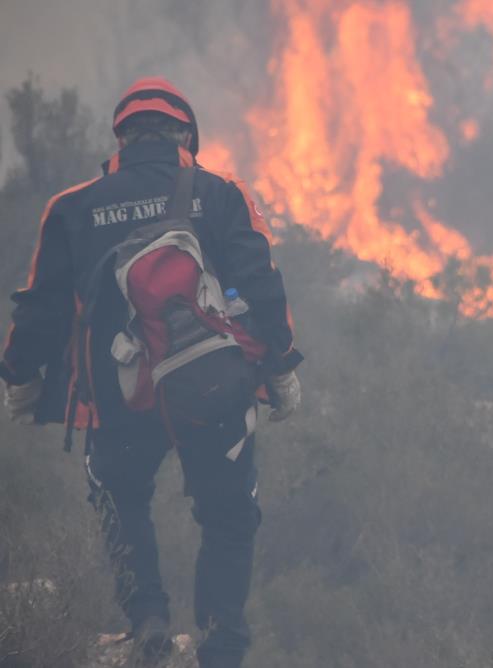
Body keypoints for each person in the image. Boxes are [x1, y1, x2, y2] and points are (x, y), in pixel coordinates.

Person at [1, 77, 303, 667]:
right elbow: (257, 283)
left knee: (121, 499)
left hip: (119, 396)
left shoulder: (74, 207)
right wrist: (281, 364)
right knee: (227, 515)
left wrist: (20, 375)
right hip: (213, 392)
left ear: (122, 137)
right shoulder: (220, 194)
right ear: (185, 134)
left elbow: (42, 303)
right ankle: (221, 645)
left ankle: (147, 621)